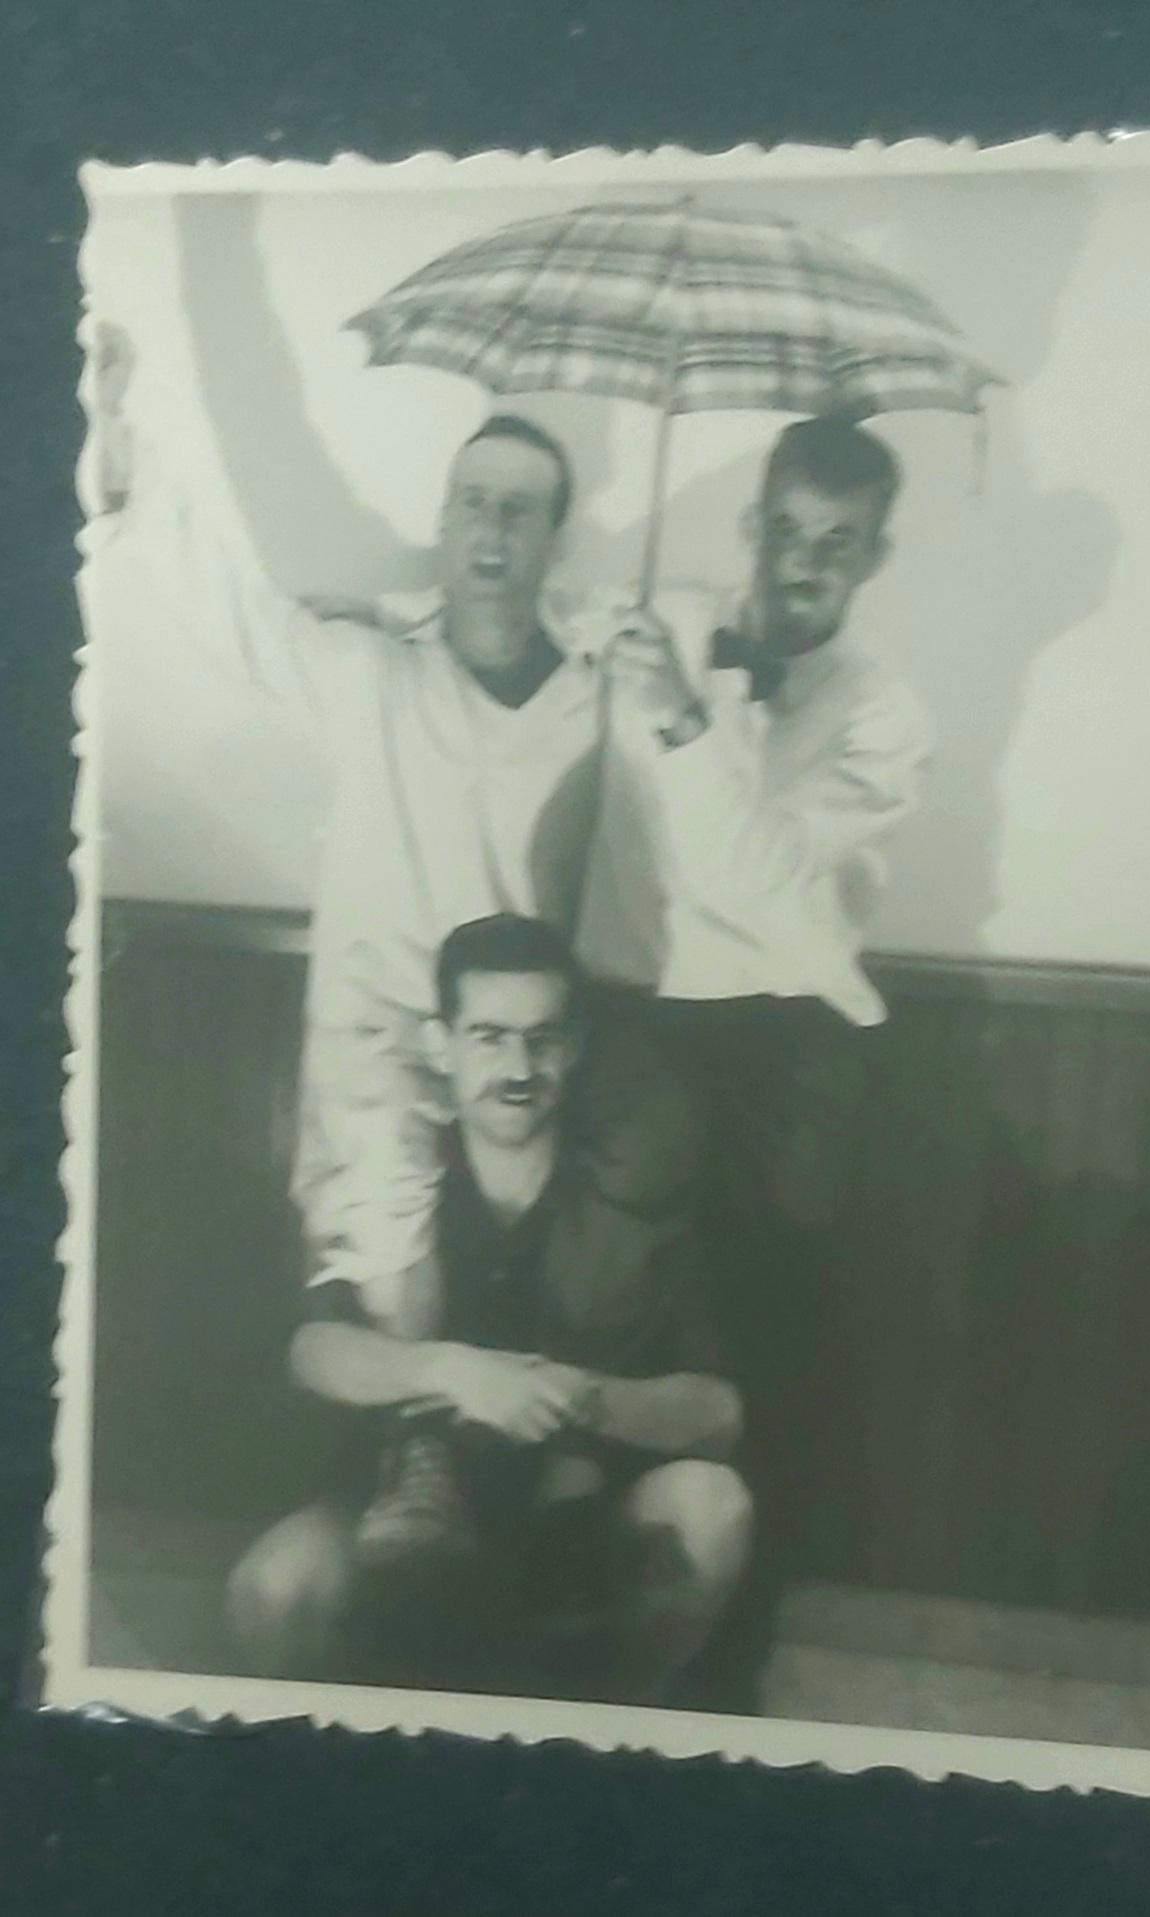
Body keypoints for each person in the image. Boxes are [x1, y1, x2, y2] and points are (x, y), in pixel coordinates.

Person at [88, 322, 693, 1345]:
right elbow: (236, 613)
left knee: (550, 1303)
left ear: (556, 541)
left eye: (520, 510)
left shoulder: (600, 702)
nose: (492, 530)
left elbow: (698, 849)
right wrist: (117, 441)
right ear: (445, 523)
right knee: (392, 1295)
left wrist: (671, 707)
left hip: (522, 1057)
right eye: (473, 503)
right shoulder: (370, 675)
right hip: (379, 1048)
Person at [574, 415, 934, 1702]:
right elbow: (502, 630)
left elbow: (767, 889)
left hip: (789, 1050)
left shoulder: (887, 719)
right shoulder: (655, 619)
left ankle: (725, 1685)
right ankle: (591, 1649)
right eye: (786, 530)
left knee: (763, 1361)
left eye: (838, 541)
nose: (803, 562)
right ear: (751, 528)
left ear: (875, 557)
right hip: (634, 1026)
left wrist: (682, 722)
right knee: (611, 1330)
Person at [226, 915, 751, 1704]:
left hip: (577, 1524)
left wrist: (585, 1396)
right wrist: (450, 1371)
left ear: (574, 1047)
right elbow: (312, 1350)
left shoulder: (630, 1188)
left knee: (713, 1508)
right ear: (440, 1045)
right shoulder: (397, 1182)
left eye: (542, 1039)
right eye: (489, 1037)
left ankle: (612, 1731)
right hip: (404, 1514)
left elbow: (718, 1412)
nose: (517, 1067)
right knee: (273, 1588)